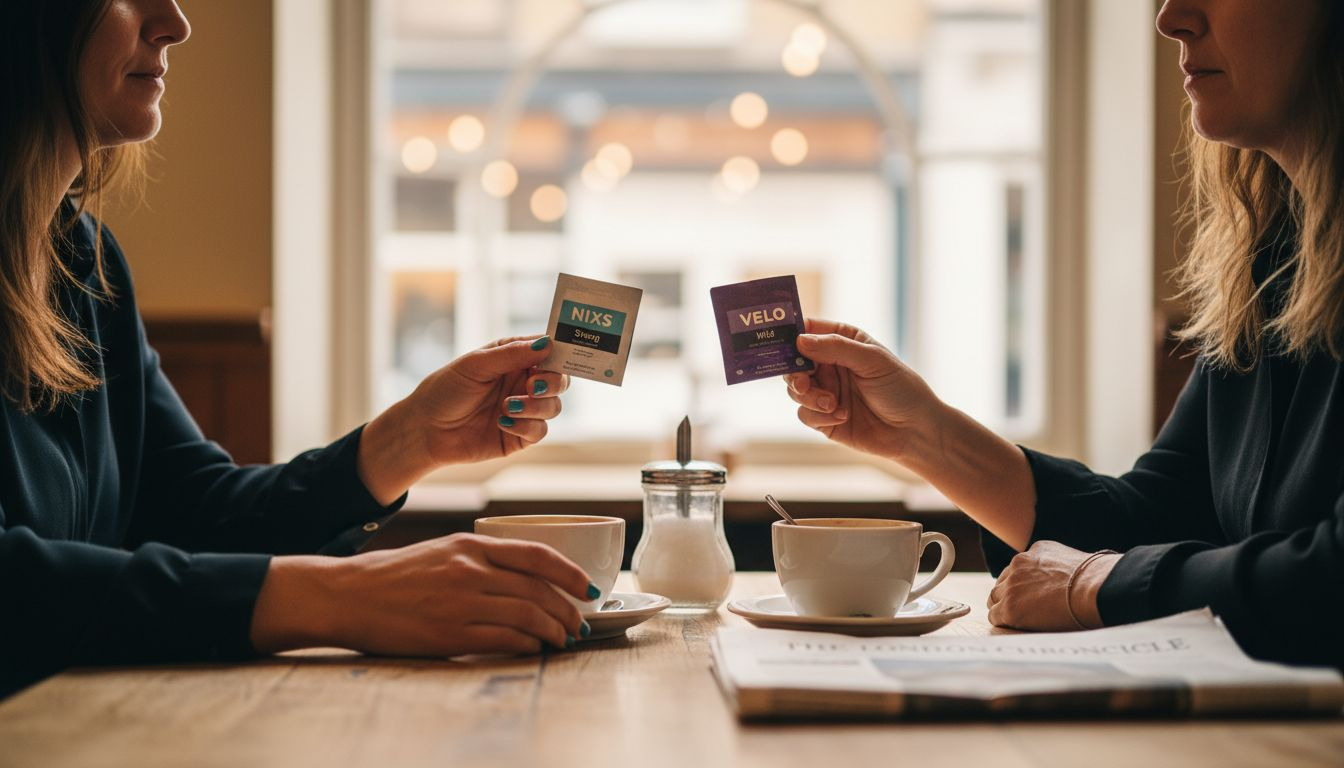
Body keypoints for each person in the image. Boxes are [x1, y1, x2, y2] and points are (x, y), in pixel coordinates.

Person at [0, 0, 596, 699]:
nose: (175, 23)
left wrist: (409, 439)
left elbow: (196, 515)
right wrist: (345, 596)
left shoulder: (86, 262)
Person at [784, 0, 1343, 668]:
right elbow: (1152, 521)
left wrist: (1092, 585)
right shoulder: (1271, 269)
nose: (1171, 17)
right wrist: (921, 434)